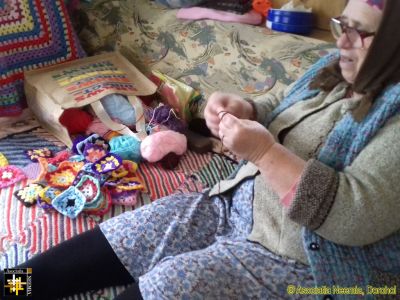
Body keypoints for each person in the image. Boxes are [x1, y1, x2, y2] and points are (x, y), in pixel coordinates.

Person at [2, 0, 400, 299]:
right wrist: (245, 110)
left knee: (169, 285)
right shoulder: (338, 68)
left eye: (360, 33)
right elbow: (281, 115)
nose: (341, 40)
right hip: (234, 205)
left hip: (304, 263)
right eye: (340, 24)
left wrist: (263, 153)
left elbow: (352, 217)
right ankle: (11, 287)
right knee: (127, 235)